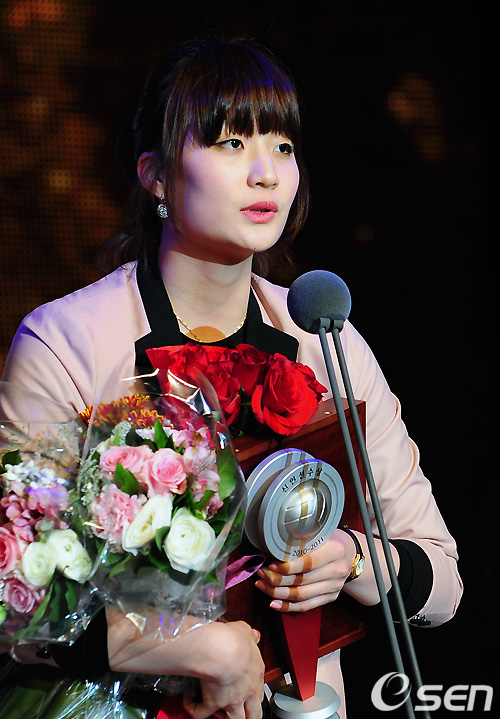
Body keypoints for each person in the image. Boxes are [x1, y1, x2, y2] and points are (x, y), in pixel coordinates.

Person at [0, 35, 462, 719]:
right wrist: (191, 644)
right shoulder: (68, 342)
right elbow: (16, 599)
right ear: (156, 175)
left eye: (283, 146)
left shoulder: (324, 340)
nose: (266, 173)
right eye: (230, 143)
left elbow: (442, 584)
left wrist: (352, 558)